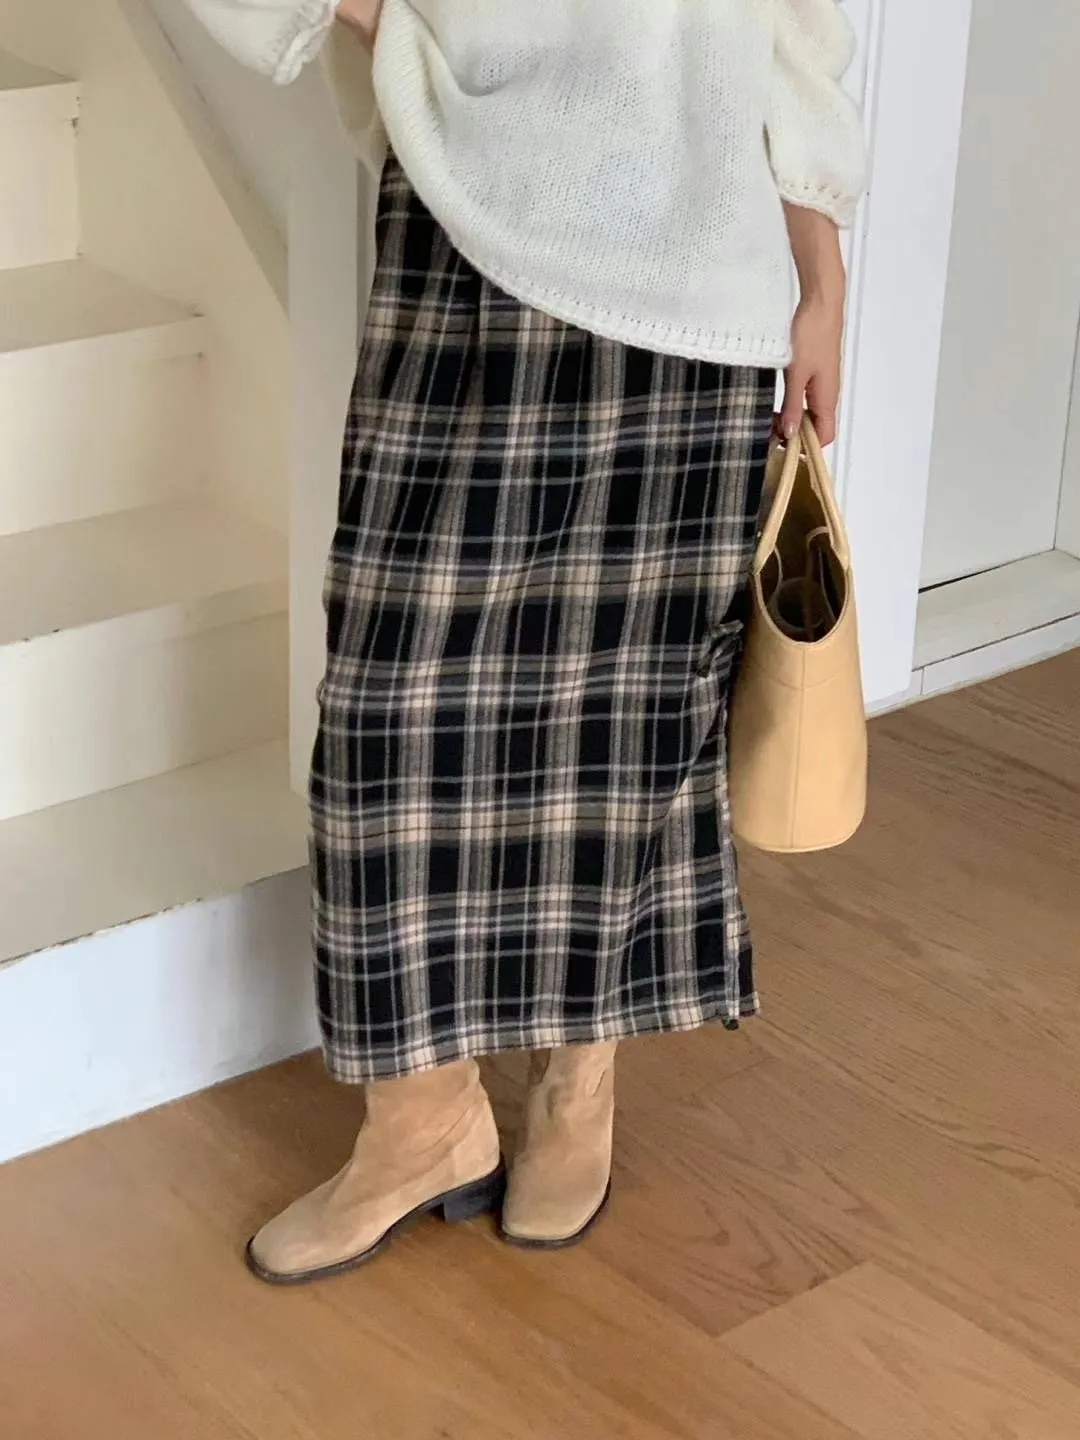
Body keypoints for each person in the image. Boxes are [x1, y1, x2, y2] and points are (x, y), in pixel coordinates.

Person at [185, 0, 866, 1282]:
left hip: (704, 261)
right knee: (389, 711)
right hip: (471, 222)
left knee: (632, 714)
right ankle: (421, 1124)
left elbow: (790, 21)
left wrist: (821, 276)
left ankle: (580, 1080)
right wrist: (398, 22)